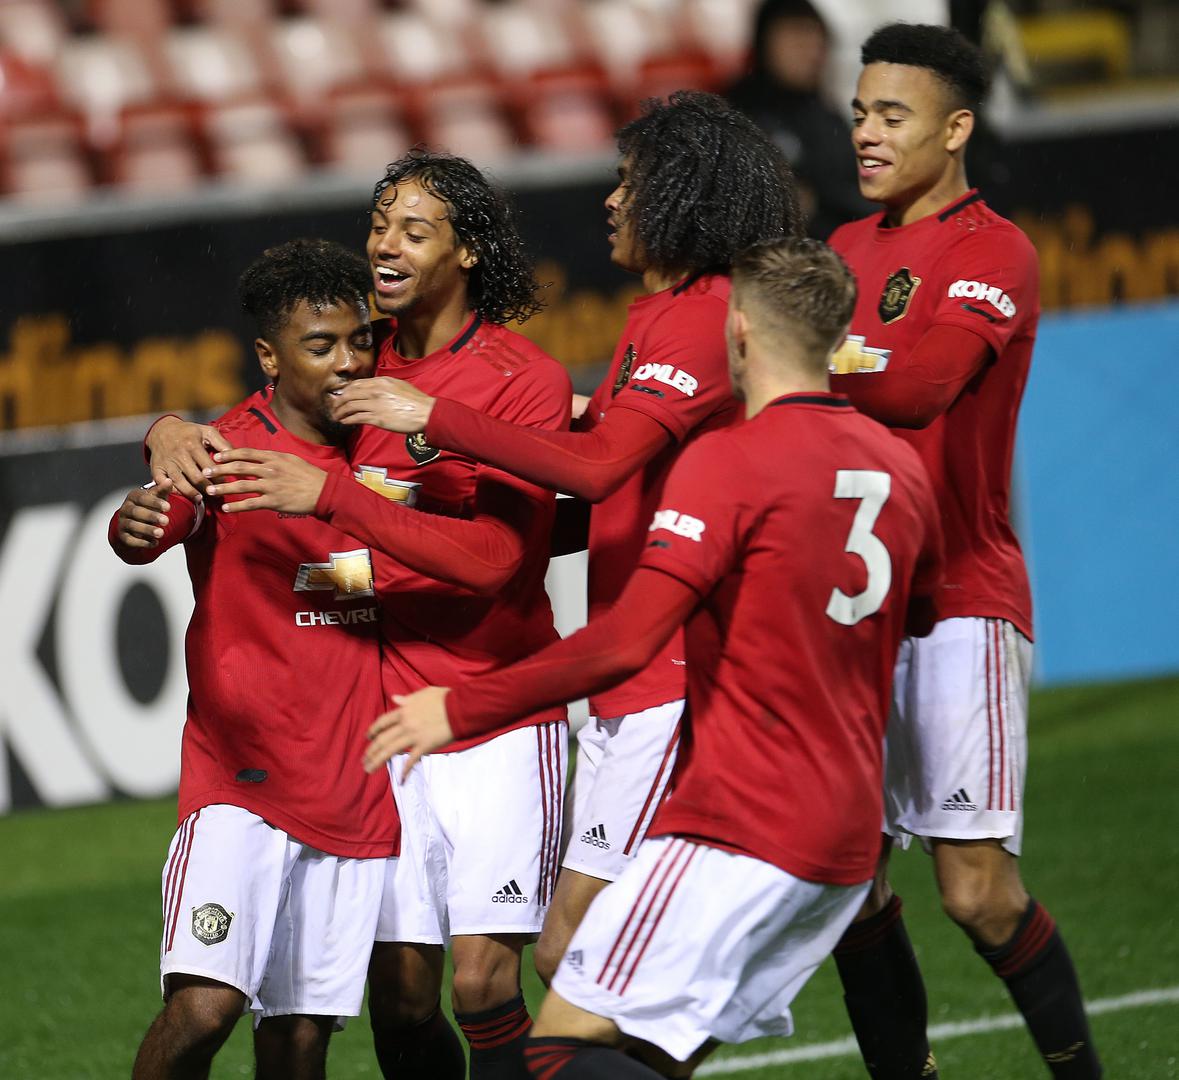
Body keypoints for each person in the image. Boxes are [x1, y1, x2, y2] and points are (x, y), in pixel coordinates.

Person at [362, 236, 945, 1080]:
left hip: (747, 818)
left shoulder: (727, 460)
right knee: (650, 1051)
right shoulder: (897, 465)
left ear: (737, 331)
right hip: (851, 824)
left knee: (561, 1042)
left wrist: (462, 707)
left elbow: (628, 639)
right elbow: (915, 617)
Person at [330, 90, 801, 990]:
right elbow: (596, 478)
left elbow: (594, 474)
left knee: (579, 962)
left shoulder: (703, 316)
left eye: (630, 183)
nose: (611, 201)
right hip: (630, 678)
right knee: (601, 966)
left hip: (670, 671)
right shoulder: (656, 316)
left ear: (680, 198)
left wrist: (441, 418)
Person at [150, 151, 573, 1080]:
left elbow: (499, 561)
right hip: (389, 728)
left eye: (413, 229)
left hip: (496, 711)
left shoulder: (517, 376)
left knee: (479, 982)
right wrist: (170, 430)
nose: (385, 241)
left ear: (465, 253)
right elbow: (267, 418)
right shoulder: (355, 367)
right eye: (380, 221)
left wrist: (333, 502)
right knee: (402, 1002)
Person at [826, 23, 1102, 1079]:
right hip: (852, 615)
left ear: (956, 127)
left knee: (975, 891)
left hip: (958, 601)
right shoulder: (844, 252)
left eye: (891, 115)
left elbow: (921, 386)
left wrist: (815, 354)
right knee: (846, 884)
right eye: (859, 111)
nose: (866, 131)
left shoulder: (993, 251)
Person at [110, 239, 398, 1080]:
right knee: (204, 1009)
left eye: (358, 340)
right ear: (270, 356)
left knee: (299, 1039)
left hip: (353, 785)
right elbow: (155, 521)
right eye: (320, 346)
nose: (346, 363)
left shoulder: (390, 445)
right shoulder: (225, 452)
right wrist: (139, 518)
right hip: (243, 784)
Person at [727, 0, 871, 238]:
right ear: (764, 43)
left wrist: (818, 201)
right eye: (796, 40)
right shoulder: (736, 114)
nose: (810, 52)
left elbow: (860, 191)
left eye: (816, 41)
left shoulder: (826, 114)